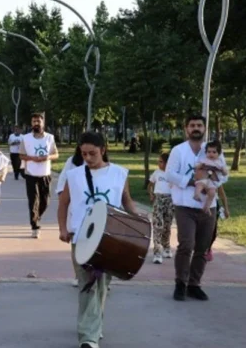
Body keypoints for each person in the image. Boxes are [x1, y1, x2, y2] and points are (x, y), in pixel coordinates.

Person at [57, 132, 141, 348]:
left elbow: (126, 201)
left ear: (103, 150)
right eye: (83, 153)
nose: (87, 158)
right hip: (82, 236)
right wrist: (63, 228)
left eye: (92, 153)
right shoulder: (74, 175)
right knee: (88, 285)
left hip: (111, 239)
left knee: (102, 285)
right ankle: (88, 337)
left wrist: (138, 218)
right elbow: (63, 203)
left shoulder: (119, 173)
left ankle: (93, 325)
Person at [165, 114, 229, 302]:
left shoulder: (213, 149)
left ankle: (194, 284)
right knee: (186, 245)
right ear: (186, 128)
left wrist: (212, 180)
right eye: (192, 125)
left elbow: (224, 175)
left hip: (208, 206)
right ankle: (180, 283)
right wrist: (192, 182)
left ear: (204, 128)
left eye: (199, 125)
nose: (196, 128)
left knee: (203, 247)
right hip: (185, 205)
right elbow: (170, 174)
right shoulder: (178, 150)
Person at [19, 113, 59, 239]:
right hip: (31, 174)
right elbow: (21, 155)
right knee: (33, 200)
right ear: (31, 123)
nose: (36, 123)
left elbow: (56, 154)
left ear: (43, 123)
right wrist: (32, 158)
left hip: (45, 173)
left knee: (45, 201)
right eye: (34, 121)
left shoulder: (49, 138)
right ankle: (35, 226)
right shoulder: (25, 138)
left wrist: (47, 157)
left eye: (38, 121)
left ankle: (36, 216)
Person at [55, 146, 83, 288]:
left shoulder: (109, 169)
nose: (88, 157)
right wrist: (66, 203)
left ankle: (101, 277)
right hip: (77, 212)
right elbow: (61, 187)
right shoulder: (72, 162)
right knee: (78, 244)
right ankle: (80, 275)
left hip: (100, 213)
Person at [148, 152, 174, 264]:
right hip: (159, 200)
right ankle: (157, 252)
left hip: (170, 200)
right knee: (158, 225)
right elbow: (150, 185)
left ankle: (166, 246)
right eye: (158, 161)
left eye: (161, 162)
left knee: (167, 225)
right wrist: (151, 194)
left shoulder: (172, 174)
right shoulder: (156, 173)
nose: (159, 163)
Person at [192, 140, 228, 215]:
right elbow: (197, 166)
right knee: (200, 184)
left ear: (219, 153)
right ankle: (197, 194)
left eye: (214, 152)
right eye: (209, 152)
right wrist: (199, 166)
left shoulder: (219, 163)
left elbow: (225, 173)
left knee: (212, 193)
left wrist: (223, 170)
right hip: (203, 179)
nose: (211, 154)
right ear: (205, 153)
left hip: (212, 182)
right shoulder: (204, 160)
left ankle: (207, 206)